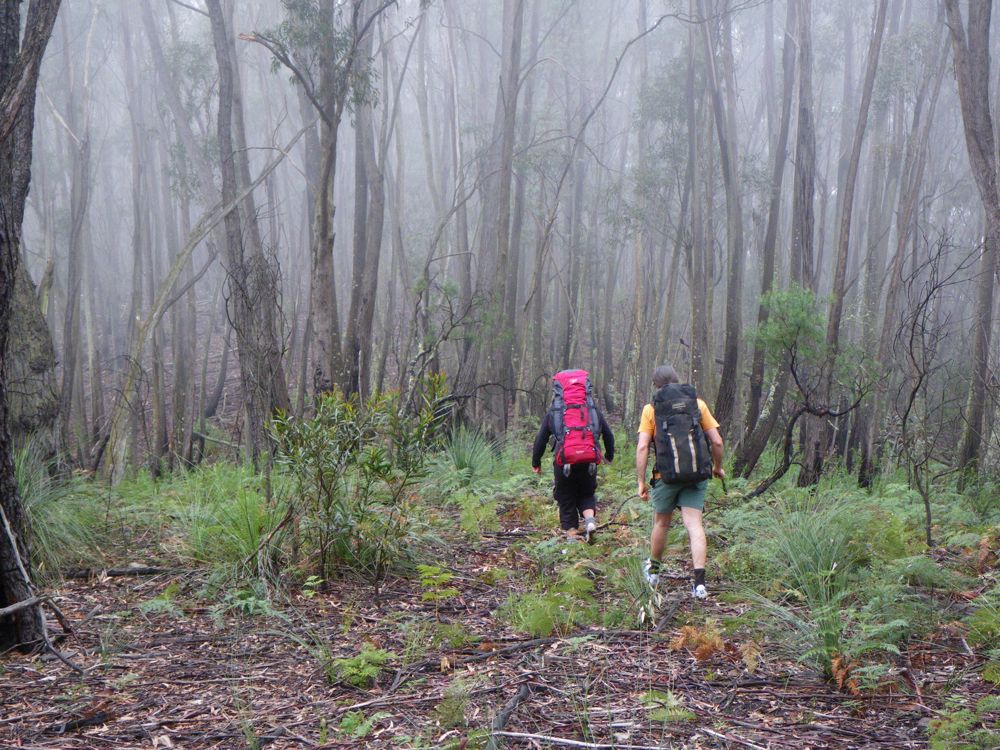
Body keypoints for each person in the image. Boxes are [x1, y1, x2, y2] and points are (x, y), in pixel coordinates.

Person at [635, 364, 724, 598]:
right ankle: (699, 584)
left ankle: (654, 573)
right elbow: (717, 441)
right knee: (694, 525)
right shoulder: (698, 404)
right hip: (696, 474)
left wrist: (640, 481)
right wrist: (717, 467)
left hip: (665, 476)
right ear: (677, 380)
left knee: (661, 523)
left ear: (656, 385)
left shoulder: (650, 409)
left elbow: (643, 447)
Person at [531, 370, 615, 542]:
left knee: (566, 497)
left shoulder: (555, 411)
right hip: (589, 460)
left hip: (564, 462)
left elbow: (540, 439)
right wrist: (609, 455)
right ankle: (590, 521)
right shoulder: (592, 410)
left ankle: (572, 539)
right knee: (586, 493)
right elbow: (608, 435)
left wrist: (536, 462)